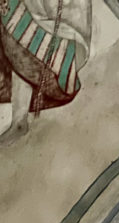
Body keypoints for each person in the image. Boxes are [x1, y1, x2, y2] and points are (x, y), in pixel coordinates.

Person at [0, 0, 92, 143]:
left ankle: (19, 119)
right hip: (39, 28)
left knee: (14, 30)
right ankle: (19, 118)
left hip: (63, 39)